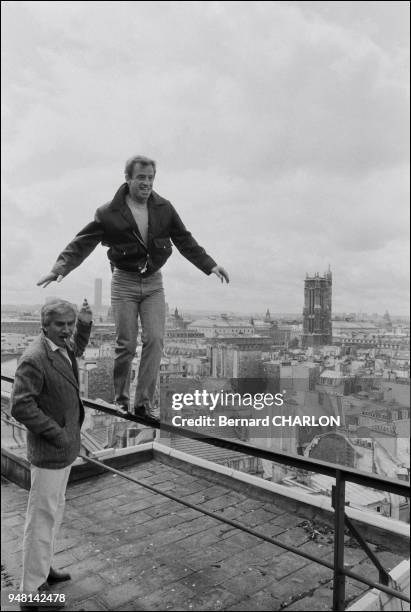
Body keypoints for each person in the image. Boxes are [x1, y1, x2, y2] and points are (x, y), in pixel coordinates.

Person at [37, 155, 229, 418]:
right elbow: (82, 242)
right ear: (128, 179)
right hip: (124, 281)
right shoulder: (108, 213)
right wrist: (59, 268)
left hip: (153, 282)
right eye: (141, 177)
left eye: (151, 178)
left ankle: (143, 403)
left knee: (155, 340)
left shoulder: (164, 208)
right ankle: (121, 399)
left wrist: (210, 265)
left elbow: (185, 240)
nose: (147, 183)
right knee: (126, 344)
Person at [11, 298, 92, 606]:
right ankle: (31, 591)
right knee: (41, 517)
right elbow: (20, 405)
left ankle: (43, 569)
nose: (67, 330)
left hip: (63, 449)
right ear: (43, 325)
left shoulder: (63, 346)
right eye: (61, 324)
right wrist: (57, 433)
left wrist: (84, 323)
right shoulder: (34, 357)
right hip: (50, 450)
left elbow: (77, 349)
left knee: (53, 512)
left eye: (70, 324)